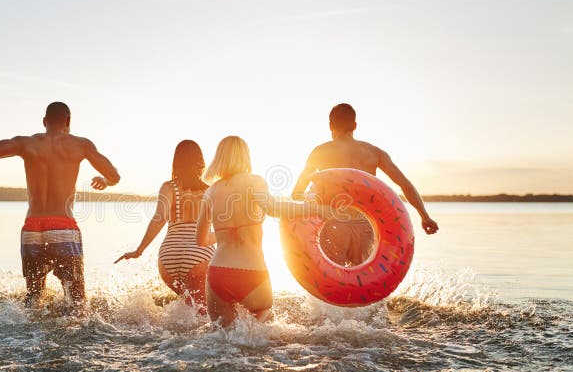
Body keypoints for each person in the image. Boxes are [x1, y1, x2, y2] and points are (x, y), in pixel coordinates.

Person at [0, 102, 120, 310]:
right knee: (78, 303)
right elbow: (114, 176)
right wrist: (105, 181)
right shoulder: (80, 145)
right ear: (68, 121)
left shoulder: (25, 143)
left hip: (32, 229)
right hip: (63, 227)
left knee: (33, 300)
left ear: (44, 121)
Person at [196, 136, 343, 326]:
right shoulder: (254, 181)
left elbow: (200, 240)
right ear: (245, 156)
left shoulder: (210, 192)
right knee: (263, 329)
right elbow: (274, 209)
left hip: (218, 274)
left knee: (221, 338)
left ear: (219, 158)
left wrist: (225, 234)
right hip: (251, 271)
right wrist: (316, 209)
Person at [292, 103, 438, 265]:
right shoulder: (374, 153)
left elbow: (298, 191)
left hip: (333, 224)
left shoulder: (320, 152)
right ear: (354, 125)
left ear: (330, 126)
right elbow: (406, 186)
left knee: (334, 284)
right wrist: (425, 217)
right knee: (361, 286)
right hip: (365, 226)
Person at [115, 140, 215, 310]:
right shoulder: (210, 190)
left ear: (176, 161)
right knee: (202, 312)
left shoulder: (169, 187)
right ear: (201, 162)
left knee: (188, 305)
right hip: (199, 254)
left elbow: (159, 218)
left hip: (169, 256)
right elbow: (223, 227)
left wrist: (139, 250)